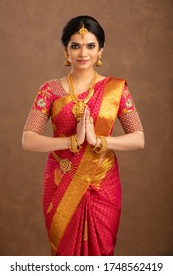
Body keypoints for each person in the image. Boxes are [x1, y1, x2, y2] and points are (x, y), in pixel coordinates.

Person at [22, 15, 144, 256]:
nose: (83, 53)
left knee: (102, 254)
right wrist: (72, 141)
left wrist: (99, 141)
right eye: (75, 46)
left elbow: (138, 138)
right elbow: (28, 139)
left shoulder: (116, 89)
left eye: (90, 45)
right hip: (61, 181)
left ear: (100, 50)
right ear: (66, 50)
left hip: (103, 183)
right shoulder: (50, 90)